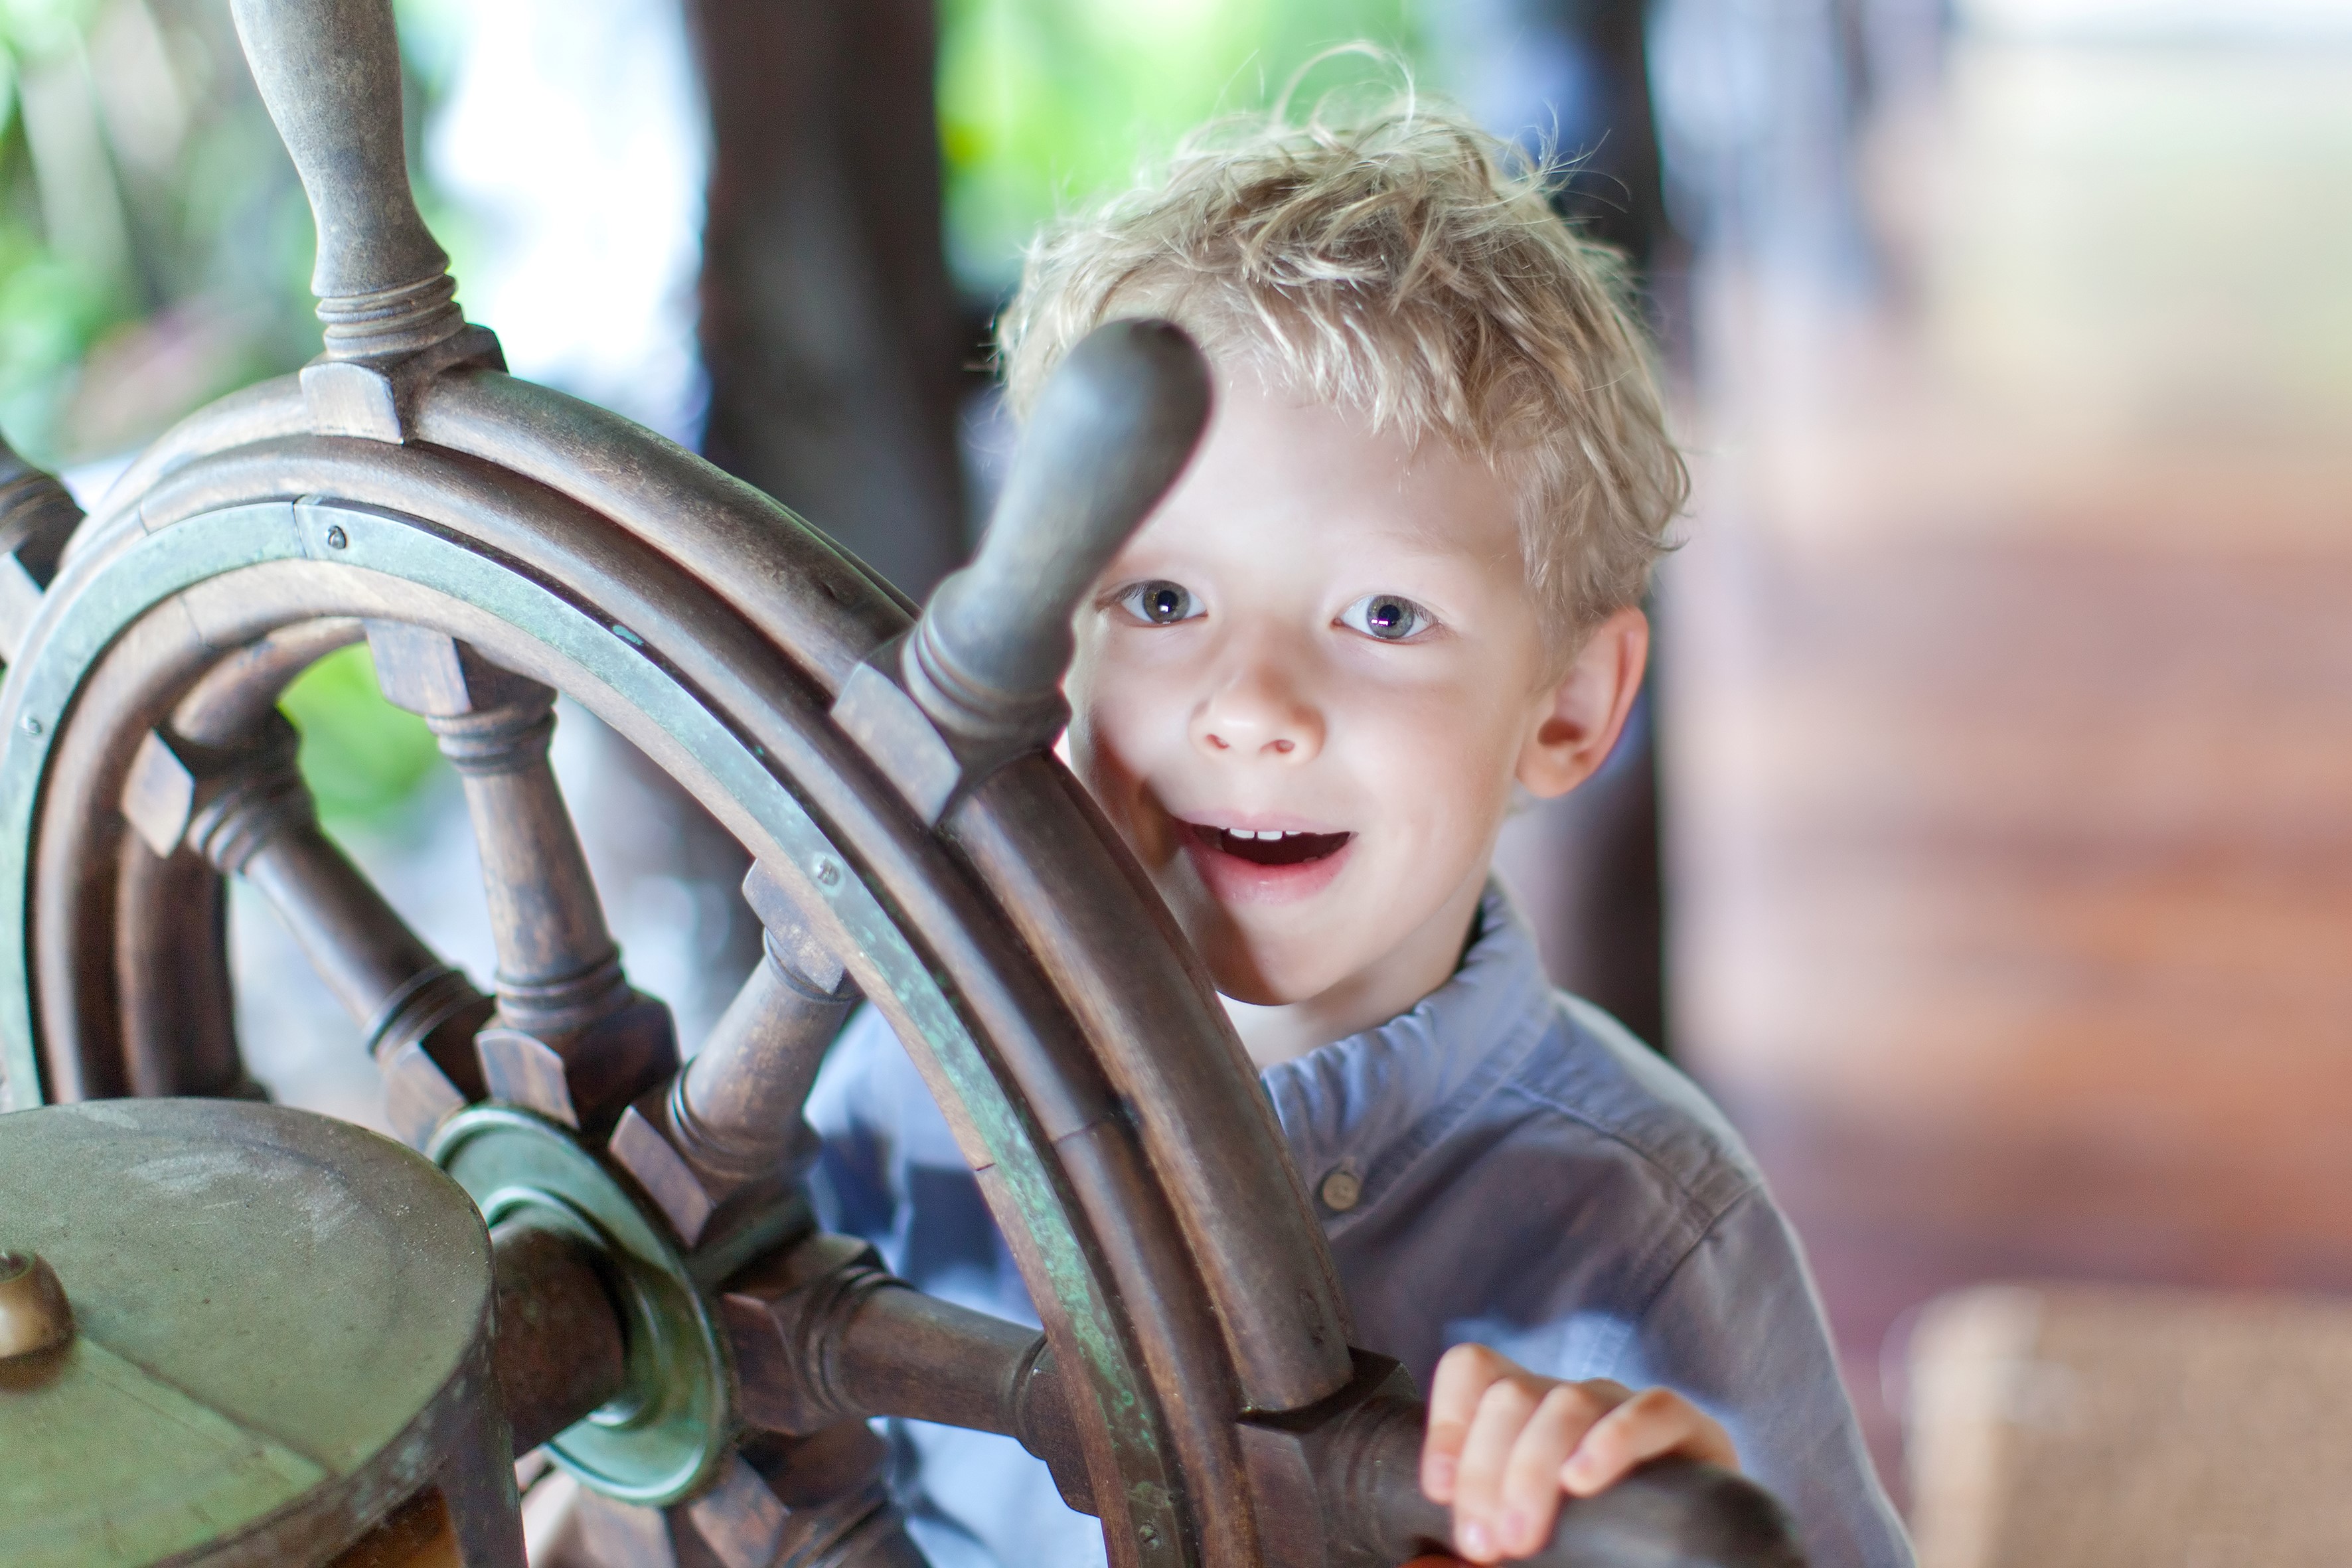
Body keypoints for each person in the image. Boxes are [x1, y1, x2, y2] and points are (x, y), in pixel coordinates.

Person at [808, 95, 1913, 1568]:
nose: (1251, 704)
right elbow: (763, 1438)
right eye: (1160, 600)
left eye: (1382, 615)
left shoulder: (1644, 1230)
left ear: (1569, 708)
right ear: (1047, 637)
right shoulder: (903, 1069)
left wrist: (1667, 1512)